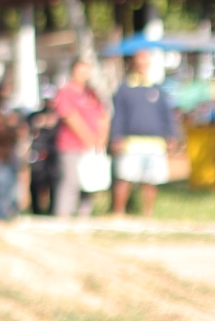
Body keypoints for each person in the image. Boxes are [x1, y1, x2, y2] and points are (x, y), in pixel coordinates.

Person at [111, 48, 180, 217]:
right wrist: (115, 136)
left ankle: (147, 214)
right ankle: (118, 214)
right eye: (140, 60)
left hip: (154, 143)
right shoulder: (125, 88)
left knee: (151, 181)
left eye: (146, 60)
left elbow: (166, 115)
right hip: (131, 143)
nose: (143, 64)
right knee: (125, 178)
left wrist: (172, 135)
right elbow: (118, 115)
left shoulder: (156, 88)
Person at [52, 54, 109, 218]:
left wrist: (101, 139)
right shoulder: (66, 91)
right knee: (71, 182)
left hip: (92, 148)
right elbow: (69, 115)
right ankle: (63, 216)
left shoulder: (92, 93)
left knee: (89, 183)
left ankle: (84, 216)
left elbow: (103, 115)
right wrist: (89, 138)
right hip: (72, 145)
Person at [0, 85, 29, 221]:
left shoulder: (5, 113)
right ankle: (0, 217)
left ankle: (8, 215)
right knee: (0, 194)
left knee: (10, 193)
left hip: (8, 160)